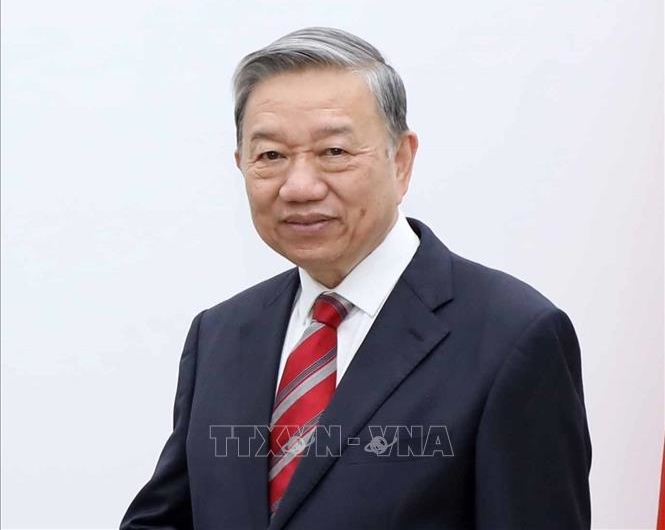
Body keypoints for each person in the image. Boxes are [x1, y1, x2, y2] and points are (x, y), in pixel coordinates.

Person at [120, 27, 592, 529]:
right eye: (271, 156)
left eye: (334, 152)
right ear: (241, 166)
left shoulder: (514, 337)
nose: (299, 186)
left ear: (401, 161)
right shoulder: (219, 334)